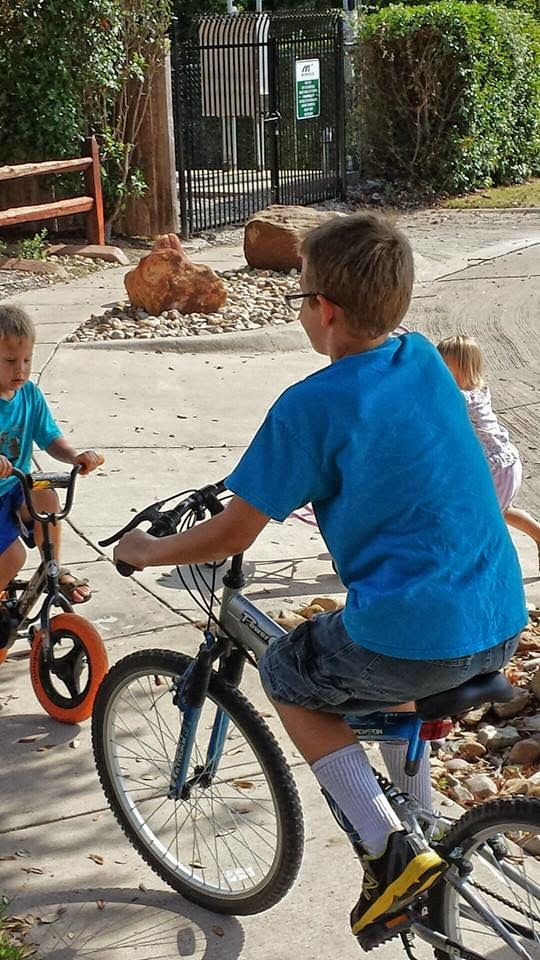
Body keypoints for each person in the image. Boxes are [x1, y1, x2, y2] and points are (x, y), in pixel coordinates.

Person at [114, 213, 527, 942]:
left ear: (325, 309)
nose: (300, 307)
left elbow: (234, 531)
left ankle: (388, 849)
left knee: (286, 669)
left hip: (416, 633)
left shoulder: (309, 406)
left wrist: (147, 550)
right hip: (497, 615)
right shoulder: (423, 358)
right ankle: (419, 820)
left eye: (300, 295)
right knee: (391, 676)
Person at [0, 305, 103, 604]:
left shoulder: (30, 395)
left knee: (46, 496)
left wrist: (74, 457)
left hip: (16, 486)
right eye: (10, 361)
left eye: (27, 360)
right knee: (13, 557)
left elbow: (49, 436)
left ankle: (52, 569)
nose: (20, 369)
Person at [437, 334, 540, 571]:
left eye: (444, 366)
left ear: (462, 369)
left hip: (495, 467)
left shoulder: (461, 398)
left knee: (479, 520)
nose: (439, 371)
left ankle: (482, 569)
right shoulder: (479, 391)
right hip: (505, 463)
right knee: (502, 511)